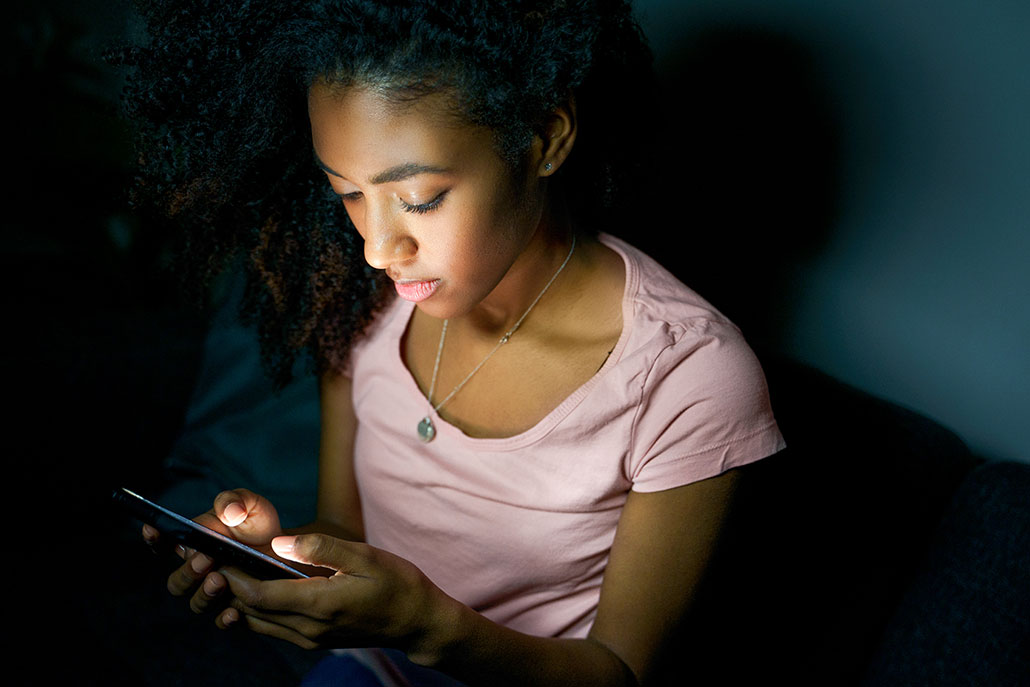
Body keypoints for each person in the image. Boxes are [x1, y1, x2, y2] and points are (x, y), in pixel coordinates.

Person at [123, 0, 786, 684]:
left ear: (545, 138)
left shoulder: (689, 377)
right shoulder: (361, 306)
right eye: (346, 193)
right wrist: (275, 555)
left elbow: (617, 671)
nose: (378, 250)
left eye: (419, 198)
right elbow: (346, 535)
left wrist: (428, 625)